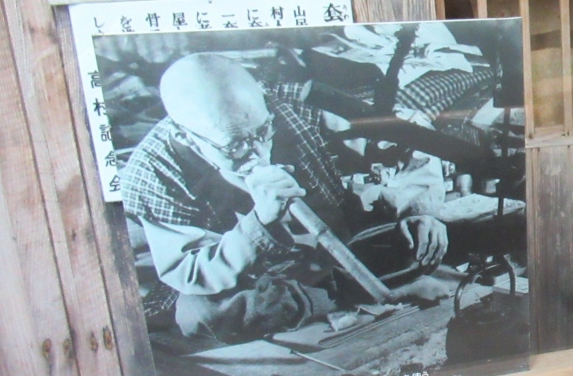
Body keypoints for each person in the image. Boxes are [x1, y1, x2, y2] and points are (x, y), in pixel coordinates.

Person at [122, 53, 450, 343]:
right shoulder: (152, 172)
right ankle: (349, 296)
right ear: (185, 137)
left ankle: (347, 290)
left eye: (263, 132)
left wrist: (418, 211)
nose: (258, 152)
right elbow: (190, 271)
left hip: (338, 245)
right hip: (257, 278)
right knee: (203, 315)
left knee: (427, 235)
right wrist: (260, 224)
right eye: (234, 146)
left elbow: (404, 140)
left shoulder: (296, 103)